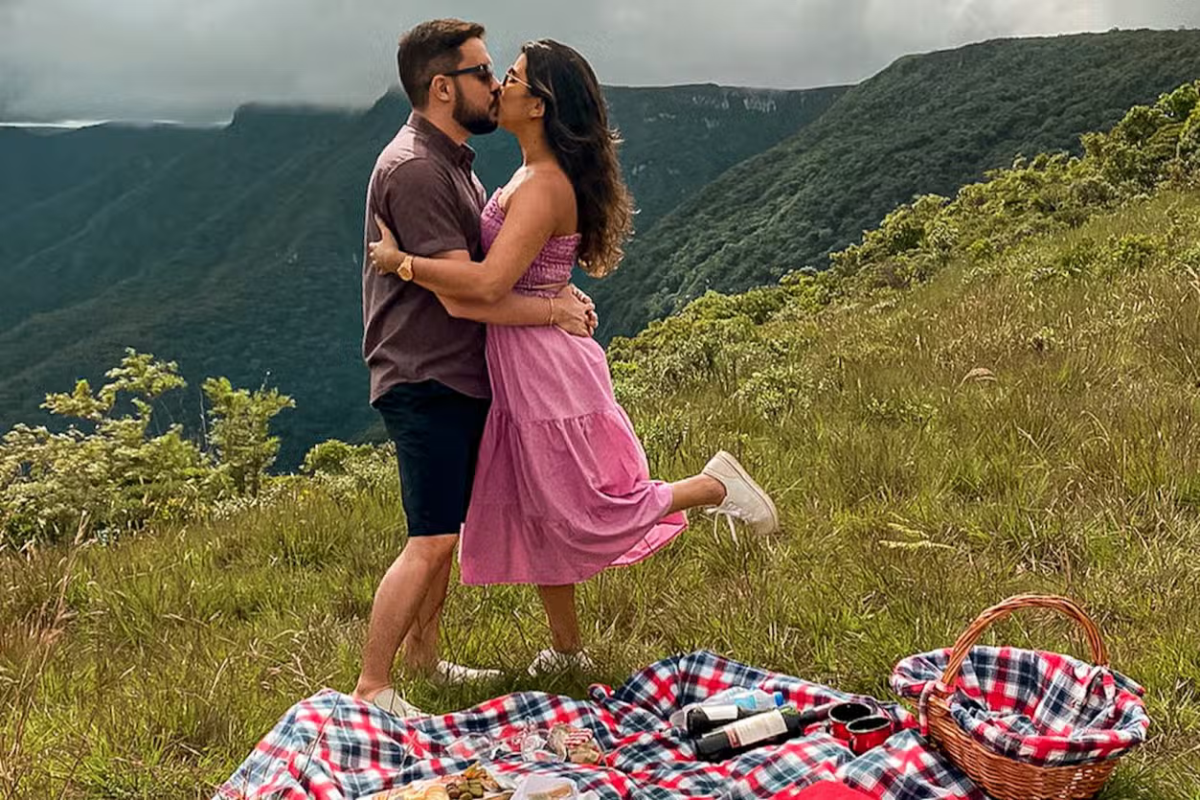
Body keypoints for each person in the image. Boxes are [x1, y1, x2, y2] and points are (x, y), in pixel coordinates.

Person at [369, 39, 779, 678]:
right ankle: (566, 650)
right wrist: (553, 294)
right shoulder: (522, 175)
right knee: (541, 507)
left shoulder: (542, 186)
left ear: (539, 105)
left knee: (584, 506)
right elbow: (524, 272)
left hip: (543, 366)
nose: (497, 86)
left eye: (509, 77)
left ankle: (713, 486)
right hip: (519, 360)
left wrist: (401, 264)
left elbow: (485, 286)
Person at [353, 20, 597, 715]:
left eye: (498, 74)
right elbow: (469, 295)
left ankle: (424, 656)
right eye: (483, 73)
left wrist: (555, 290)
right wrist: (551, 313)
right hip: (426, 373)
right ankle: (373, 685)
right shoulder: (420, 169)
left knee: (443, 531)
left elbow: (502, 273)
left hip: (453, 375)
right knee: (429, 539)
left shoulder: (453, 159)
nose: (494, 86)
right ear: (441, 87)